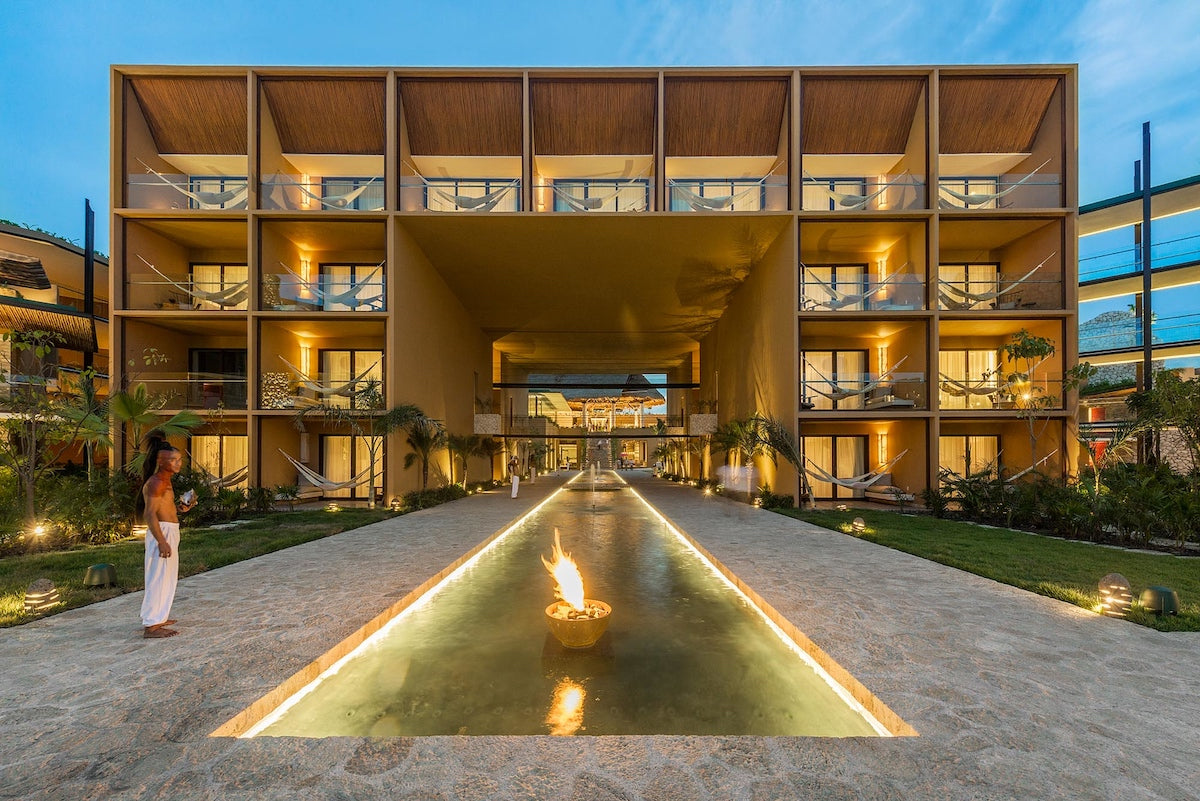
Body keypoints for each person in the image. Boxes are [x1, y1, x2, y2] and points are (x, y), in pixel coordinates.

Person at [139, 438, 195, 639]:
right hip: (161, 533)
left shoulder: (165, 482)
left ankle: (157, 617)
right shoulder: (156, 482)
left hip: (169, 530)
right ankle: (152, 626)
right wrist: (162, 541)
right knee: (159, 577)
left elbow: (164, 510)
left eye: (179, 460)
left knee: (167, 577)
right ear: (162, 461)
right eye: (174, 460)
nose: (178, 464)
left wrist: (182, 508)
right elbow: (150, 514)